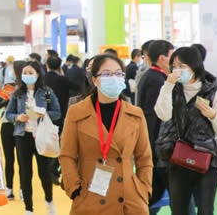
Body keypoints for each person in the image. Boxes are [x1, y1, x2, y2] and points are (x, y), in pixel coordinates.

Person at [59, 54, 153, 215]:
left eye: (118, 73)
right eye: (107, 74)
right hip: (89, 197)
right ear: (94, 80)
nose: (114, 78)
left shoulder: (135, 114)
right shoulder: (77, 112)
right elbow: (67, 155)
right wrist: (73, 188)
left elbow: (144, 157)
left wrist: (144, 189)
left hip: (129, 200)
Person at [155, 47, 217, 215]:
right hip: (177, 158)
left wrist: (213, 116)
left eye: (182, 66)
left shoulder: (214, 94)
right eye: (174, 66)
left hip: (206, 161)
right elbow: (163, 115)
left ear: (194, 66)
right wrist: (168, 85)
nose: (177, 70)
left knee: (205, 210)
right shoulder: (171, 90)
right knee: (179, 210)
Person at [5, 60, 62, 215]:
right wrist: (18, 117)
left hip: (41, 136)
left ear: (37, 74)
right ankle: (28, 209)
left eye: (30, 73)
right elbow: (8, 114)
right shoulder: (17, 93)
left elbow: (57, 112)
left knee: (44, 172)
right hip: (22, 136)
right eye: (25, 73)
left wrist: (44, 114)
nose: (27, 75)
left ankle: (49, 201)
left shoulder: (47, 92)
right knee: (25, 173)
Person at [137, 39, 174, 214]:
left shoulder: (154, 77)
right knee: (172, 194)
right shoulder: (156, 80)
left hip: (155, 146)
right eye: (172, 56)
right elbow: (153, 117)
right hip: (158, 147)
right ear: (162, 58)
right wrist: (153, 148)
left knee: (157, 193)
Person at [0, 59, 25, 200]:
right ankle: (9, 188)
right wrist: (9, 98)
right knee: (10, 159)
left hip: (22, 126)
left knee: (22, 160)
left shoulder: (28, 89)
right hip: (8, 124)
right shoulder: (9, 87)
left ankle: (22, 188)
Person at [44, 56, 71, 133]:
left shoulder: (42, 79)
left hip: (46, 114)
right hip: (62, 114)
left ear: (47, 65)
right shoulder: (64, 80)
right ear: (59, 66)